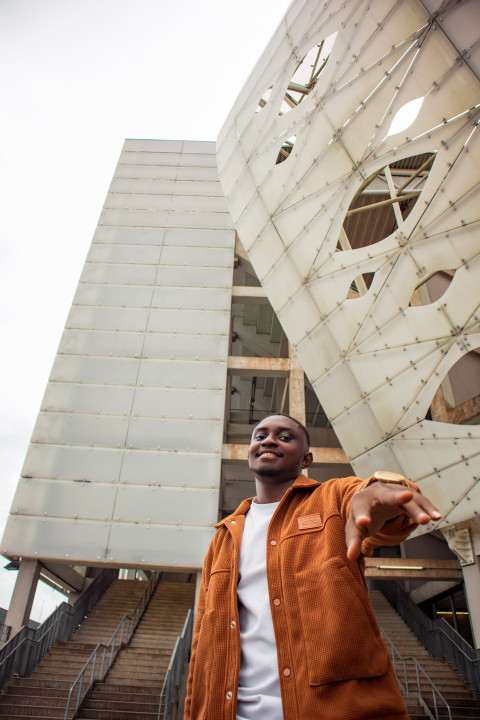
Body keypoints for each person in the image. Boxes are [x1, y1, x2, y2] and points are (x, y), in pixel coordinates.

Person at [184, 413, 442, 720]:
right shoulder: (223, 537)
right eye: (260, 435)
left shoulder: (332, 497)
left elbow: (370, 500)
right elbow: (202, 641)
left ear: (306, 458)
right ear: (249, 452)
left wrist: (381, 494)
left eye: (284, 437)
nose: (268, 440)